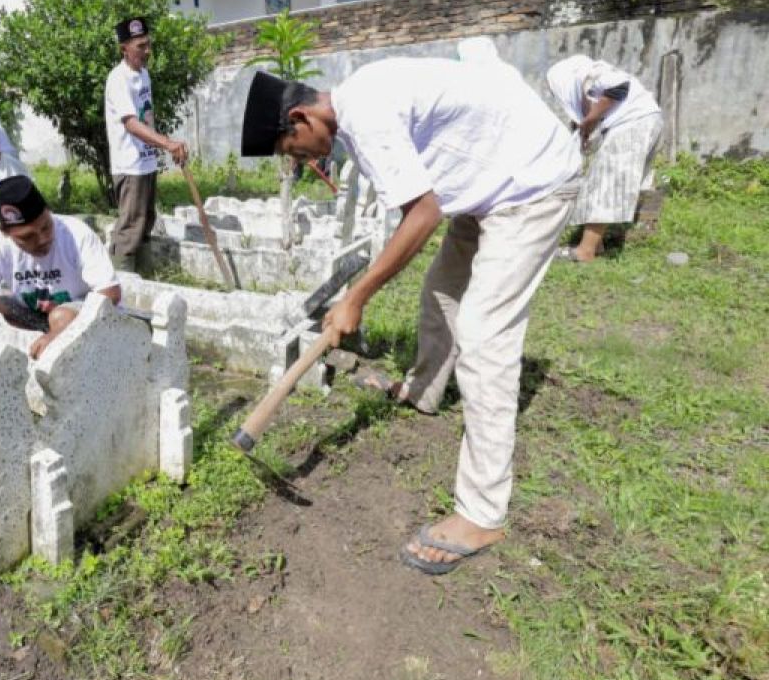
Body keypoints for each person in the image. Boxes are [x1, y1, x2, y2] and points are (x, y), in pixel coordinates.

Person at [241, 59, 582, 575]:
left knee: (485, 335)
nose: (303, 161)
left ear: (302, 118)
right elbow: (420, 209)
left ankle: (483, 513)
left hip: (530, 184)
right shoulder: (355, 111)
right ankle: (424, 391)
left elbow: (422, 215)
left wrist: (355, 298)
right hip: (484, 183)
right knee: (441, 291)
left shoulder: (366, 115)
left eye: (293, 150)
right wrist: (360, 294)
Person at [0, 175, 120, 383]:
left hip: (79, 315)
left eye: (46, 227)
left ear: (49, 212)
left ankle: (51, 337)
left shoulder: (76, 234)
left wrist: (57, 334)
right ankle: (40, 336)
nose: (43, 239)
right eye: (27, 237)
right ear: (5, 232)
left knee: (60, 316)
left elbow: (111, 292)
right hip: (35, 314)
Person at [546, 56, 663, 262]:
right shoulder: (593, 81)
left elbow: (618, 88)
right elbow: (595, 109)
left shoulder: (593, 76)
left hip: (634, 125)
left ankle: (585, 251)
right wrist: (585, 126)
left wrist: (589, 120)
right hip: (647, 121)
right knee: (603, 183)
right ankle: (596, 244)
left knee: (605, 186)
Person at [104, 16, 189, 271]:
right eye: (140, 46)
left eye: (148, 44)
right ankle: (121, 286)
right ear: (124, 49)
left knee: (146, 222)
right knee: (130, 227)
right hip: (129, 165)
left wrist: (163, 145)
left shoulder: (143, 75)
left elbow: (147, 116)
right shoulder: (118, 78)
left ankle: (144, 280)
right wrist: (167, 143)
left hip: (146, 160)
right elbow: (131, 123)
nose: (147, 51)